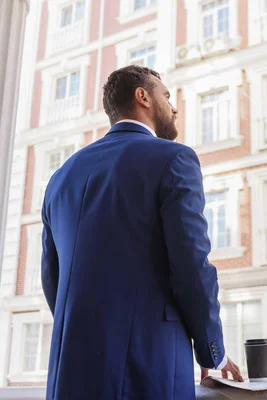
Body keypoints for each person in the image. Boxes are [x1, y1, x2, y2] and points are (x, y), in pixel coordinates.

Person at [40, 65, 243, 400]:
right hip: (146, 371)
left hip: (69, 374)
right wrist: (212, 351)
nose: (174, 107)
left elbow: (51, 278)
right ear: (143, 96)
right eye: (166, 96)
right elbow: (192, 265)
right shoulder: (174, 159)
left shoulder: (61, 177)